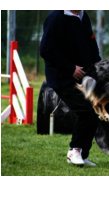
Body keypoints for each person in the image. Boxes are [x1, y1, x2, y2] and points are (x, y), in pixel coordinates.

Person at [40, 10, 102, 166]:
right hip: (62, 77)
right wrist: (70, 68)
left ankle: (82, 155)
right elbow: (46, 50)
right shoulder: (56, 19)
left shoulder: (83, 16)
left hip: (84, 75)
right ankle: (74, 150)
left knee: (93, 111)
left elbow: (91, 41)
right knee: (85, 110)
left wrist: (97, 62)